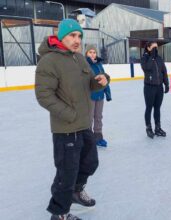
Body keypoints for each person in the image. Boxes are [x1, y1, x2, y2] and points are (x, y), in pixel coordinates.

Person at [35, 19, 110, 220]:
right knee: (66, 174)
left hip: (83, 125)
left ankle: (76, 192)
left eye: (79, 36)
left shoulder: (79, 58)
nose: (77, 40)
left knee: (90, 163)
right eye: (72, 35)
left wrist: (102, 81)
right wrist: (70, 115)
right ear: (61, 36)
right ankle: (60, 213)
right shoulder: (49, 61)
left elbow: (89, 85)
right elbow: (44, 95)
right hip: (65, 129)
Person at [141, 41, 169, 139]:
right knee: (149, 108)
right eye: (153, 48)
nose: (155, 50)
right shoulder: (145, 58)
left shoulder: (159, 58)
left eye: (156, 48)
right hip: (149, 87)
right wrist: (152, 56)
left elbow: (164, 71)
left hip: (159, 87)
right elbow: (146, 68)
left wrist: (166, 84)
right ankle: (149, 128)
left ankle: (158, 128)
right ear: (148, 48)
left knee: (157, 108)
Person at [85, 44, 112, 147]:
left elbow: (104, 80)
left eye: (94, 52)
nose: (92, 54)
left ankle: (98, 137)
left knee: (98, 117)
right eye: (90, 52)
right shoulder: (85, 65)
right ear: (86, 53)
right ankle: (88, 139)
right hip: (90, 96)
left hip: (100, 96)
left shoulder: (100, 64)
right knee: (89, 118)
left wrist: (108, 93)